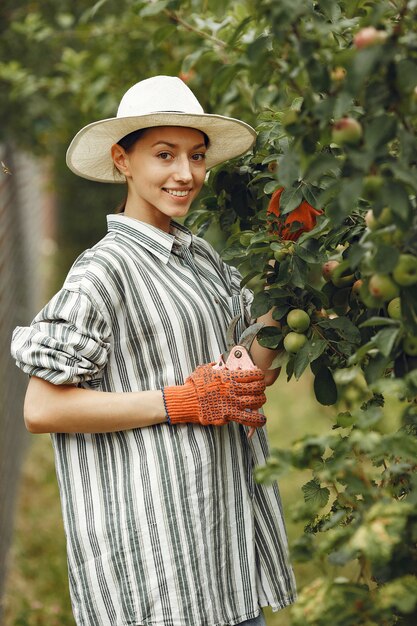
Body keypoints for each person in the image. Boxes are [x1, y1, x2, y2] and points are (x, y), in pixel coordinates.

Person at [11, 76, 296, 626]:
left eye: (195, 156)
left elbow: (241, 372)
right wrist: (177, 402)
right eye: (164, 155)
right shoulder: (105, 270)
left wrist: (293, 290)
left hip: (220, 549)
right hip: (154, 566)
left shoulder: (200, 258)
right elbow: (42, 409)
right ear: (123, 160)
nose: (185, 174)